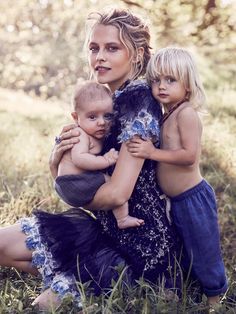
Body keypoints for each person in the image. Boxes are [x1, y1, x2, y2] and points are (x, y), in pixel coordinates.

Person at [0, 9, 182, 310]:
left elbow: (116, 194)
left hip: (138, 253)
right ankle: (66, 274)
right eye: (94, 48)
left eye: (112, 48)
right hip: (103, 231)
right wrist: (55, 163)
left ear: (136, 54)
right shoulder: (105, 101)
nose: (99, 57)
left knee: (44, 306)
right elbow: (81, 177)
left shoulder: (139, 101)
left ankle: (87, 281)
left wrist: (67, 185)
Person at [127, 47, 228, 306]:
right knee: (184, 247)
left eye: (170, 80)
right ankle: (194, 289)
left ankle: (216, 298)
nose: (161, 86)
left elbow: (189, 156)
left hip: (194, 198)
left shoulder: (186, 114)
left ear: (188, 84)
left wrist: (152, 152)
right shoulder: (165, 115)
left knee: (204, 248)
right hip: (175, 200)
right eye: (156, 80)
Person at [55, 80, 144, 229]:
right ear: (76, 117)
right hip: (73, 183)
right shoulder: (79, 134)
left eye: (107, 116)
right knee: (112, 183)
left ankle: (121, 219)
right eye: (92, 117)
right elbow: (79, 159)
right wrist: (105, 160)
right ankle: (122, 219)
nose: (101, 122)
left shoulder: (94, 133)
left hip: (70, 185)